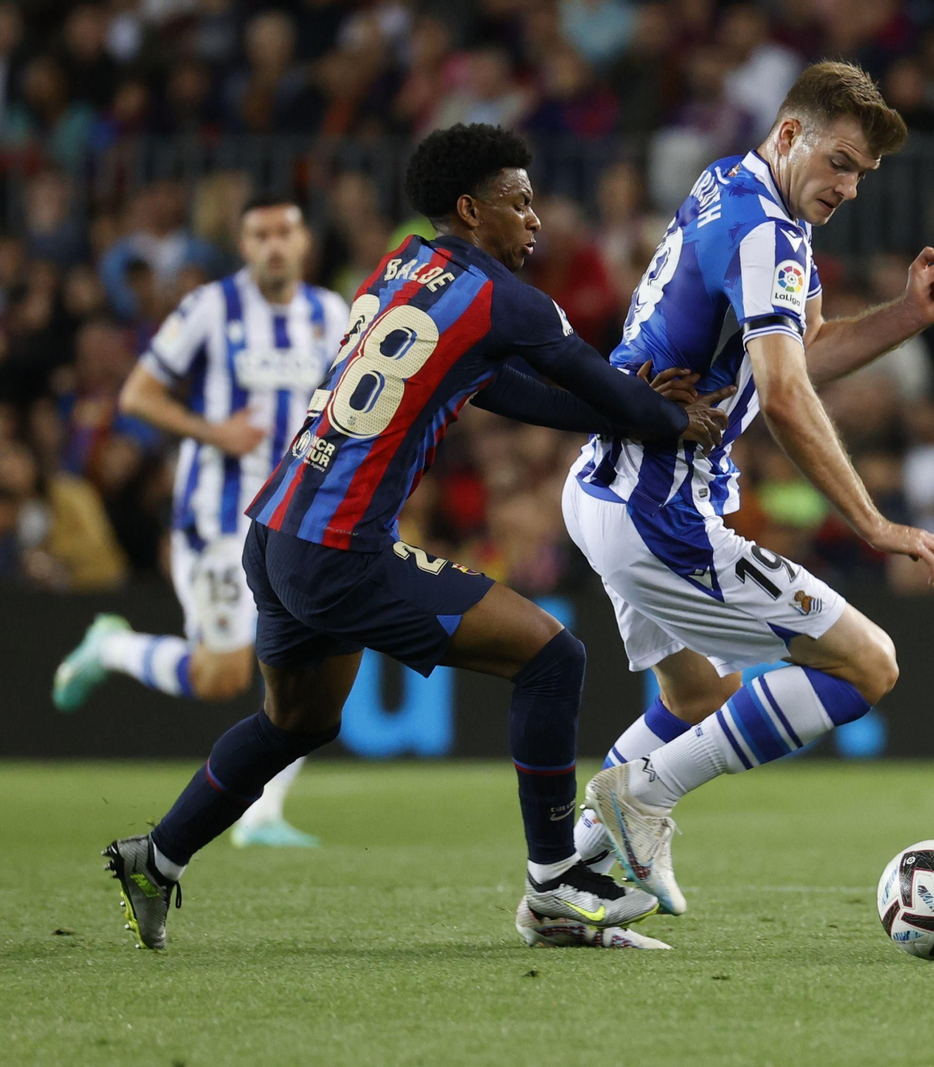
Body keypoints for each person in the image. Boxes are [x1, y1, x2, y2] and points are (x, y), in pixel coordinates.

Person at [98, 123, 732, 952]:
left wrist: (636, 410)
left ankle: (158, 856)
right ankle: (553, 883)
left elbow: (498, 387)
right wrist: (666, 417)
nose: (536, 219)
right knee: (553, 657)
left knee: (295, 722)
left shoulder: (405, 263)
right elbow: (601, 390)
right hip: (341, 548)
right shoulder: (513, 300)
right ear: (472, 208)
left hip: (277, 529)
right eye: (519, 201)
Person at [563, 62, 934, 925]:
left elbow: (796, 354)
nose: (850, 187)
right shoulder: (767, 232)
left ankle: (562, 882)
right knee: (867, 664)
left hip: (605, 487)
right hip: (656, 507)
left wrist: (906, 315)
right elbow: (784, 394)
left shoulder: (737, 191)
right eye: (842, 163)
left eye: (863, 174)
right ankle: (645, 798)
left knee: (695, 698)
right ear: (790, 136)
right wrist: (873, 523)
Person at [52, 195, 347, 848]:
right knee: (222, 675)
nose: (273, 244)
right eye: (259, 233)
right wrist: (212, 430)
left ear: (304, 243)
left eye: (285, 231)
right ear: (243, 246)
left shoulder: (331, 315)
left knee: (317, 666)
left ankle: (263, 816)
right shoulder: (211, 308)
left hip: (297, 518)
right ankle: (112, 646)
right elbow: (137, 394)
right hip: (217, 519)